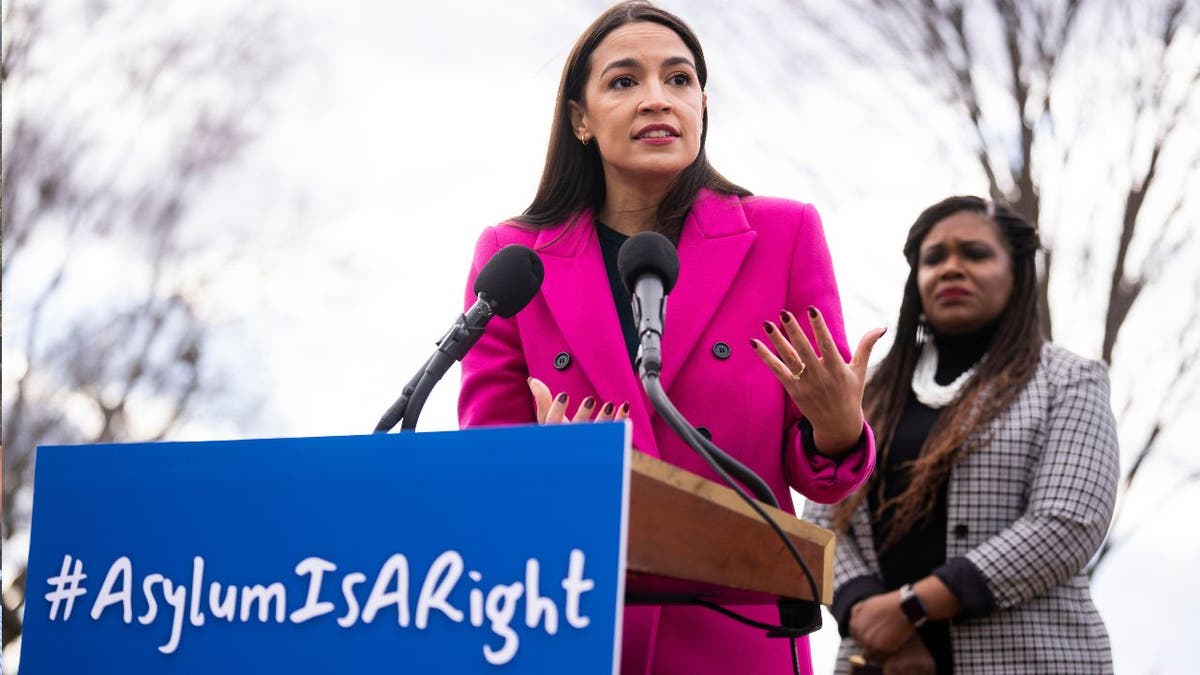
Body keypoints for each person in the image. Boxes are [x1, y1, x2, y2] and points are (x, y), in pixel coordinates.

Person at [457, 2, 885, 673]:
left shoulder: (784, 234)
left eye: (679, 79)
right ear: (580, 118)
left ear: (703, 105)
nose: (658, 99)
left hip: (738, 631)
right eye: (624, 81)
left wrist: (837, 428)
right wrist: (550, 467)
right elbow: (488, 468)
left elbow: (821, 478)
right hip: (576, 625)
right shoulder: (513, 255)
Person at [805, 196, 1120, 674]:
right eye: (935, 258)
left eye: (974, 254)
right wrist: (862, 611)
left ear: (1016, 272)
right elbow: (821, 513)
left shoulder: (1069, 381)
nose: (951, 269)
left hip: (1029, 659)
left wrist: (911, 607)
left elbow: (1068, 523)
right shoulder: (868, 391)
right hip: (878, 662)